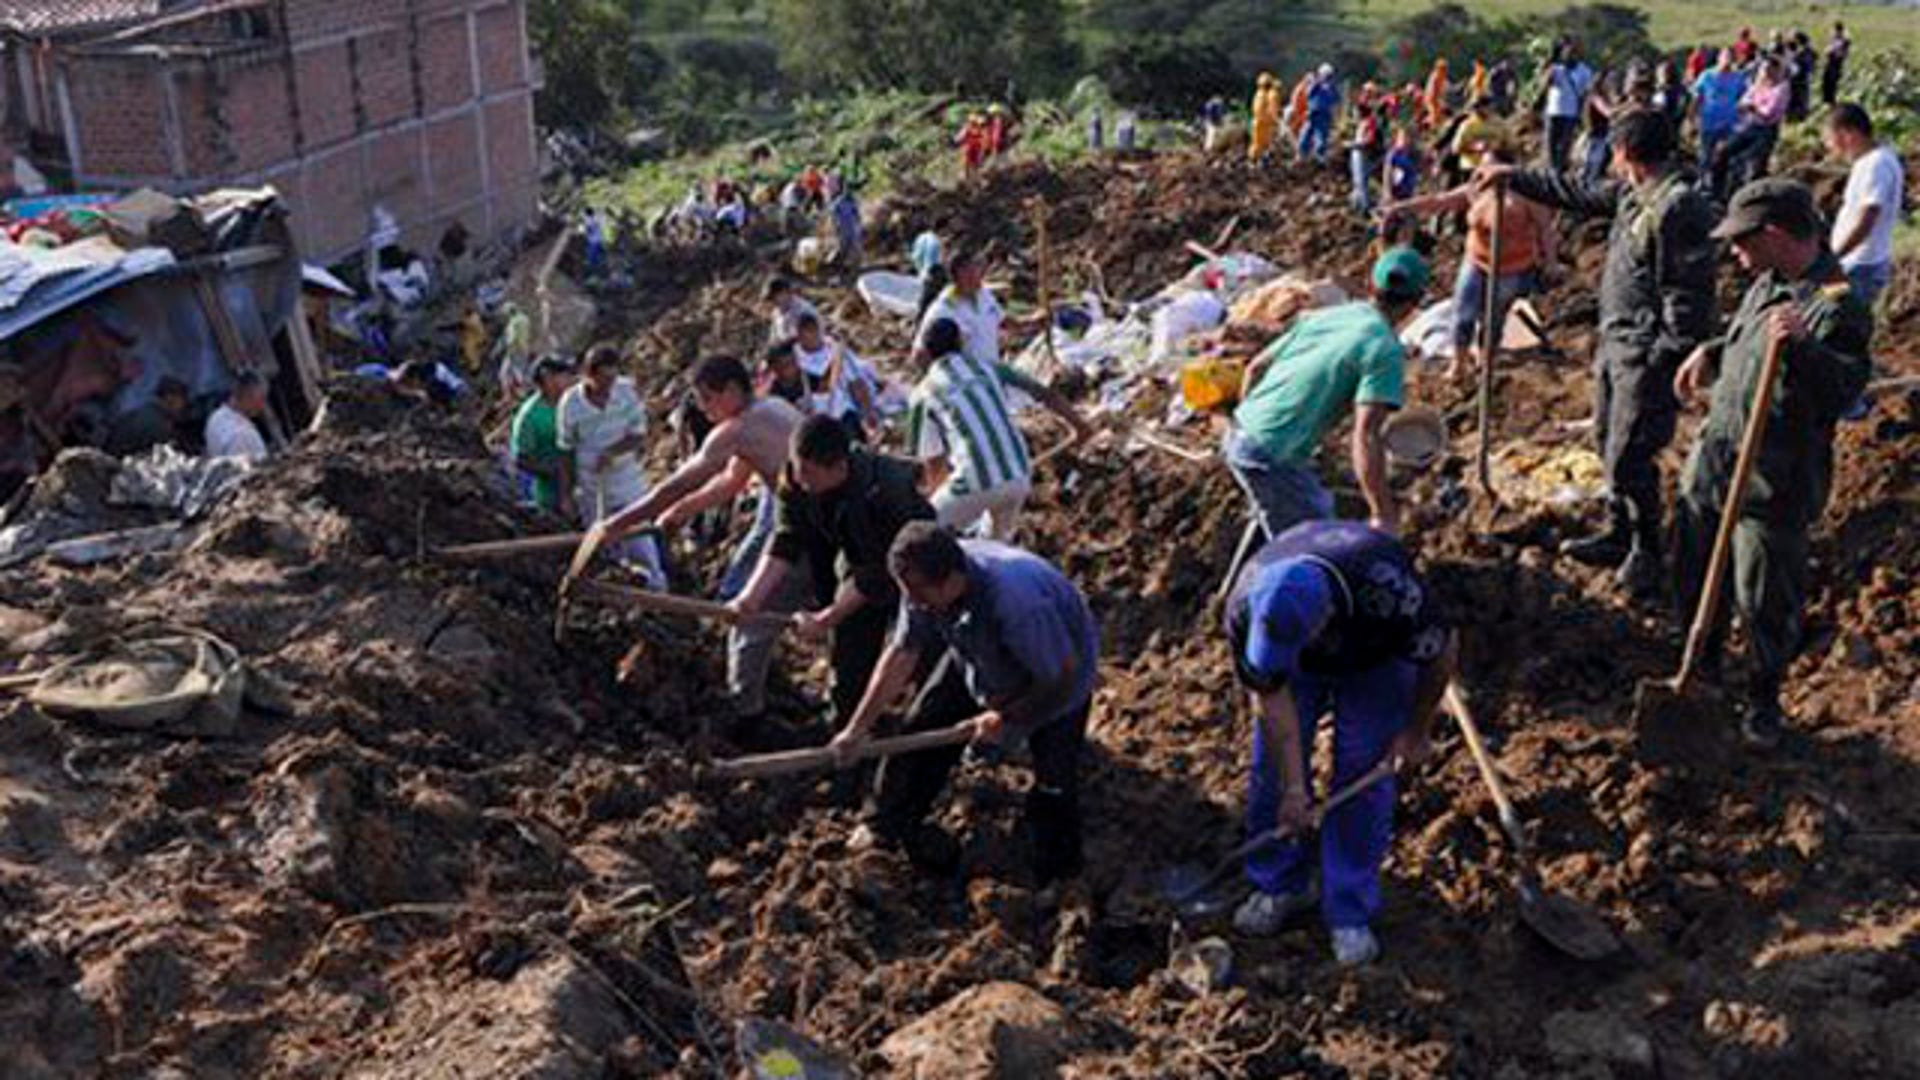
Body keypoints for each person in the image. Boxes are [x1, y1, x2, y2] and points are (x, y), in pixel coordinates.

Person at [1480, 109, 1718, 597]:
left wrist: (1663, 359)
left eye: (1612, 150)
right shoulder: (1636, 194)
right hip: (1616, 341)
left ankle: (1647, 550)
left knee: (1632, 453)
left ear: (1625, 153)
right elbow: (1576, 192)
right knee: (1610, 441)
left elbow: (1688, 298)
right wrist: (1515, 176)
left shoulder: (1678, 207)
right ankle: (1617, 531)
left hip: (1644, 353)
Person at [1671, 179, 1872, 746]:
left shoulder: (1837, 305)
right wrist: (1711, 352)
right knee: (1691, 563)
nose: (1734, 252)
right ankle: (1700, 671)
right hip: (1718, 459)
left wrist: (1806, 347)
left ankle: (1763, 700)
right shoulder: (1767, 282)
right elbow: (1748, 343)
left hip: (1773, 480)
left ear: (1777, 235)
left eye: (1742, 241)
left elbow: (1845, 390)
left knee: (1763, 595)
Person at [1224, 520, 1456, 964]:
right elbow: (1270, 696)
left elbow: (1442, 651)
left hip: (1376, 656)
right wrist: (1295, 789)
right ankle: (1280, 883)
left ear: (1324, 619)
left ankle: (1348, 910)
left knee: (1364, 768)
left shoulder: (1390, 592)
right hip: (1304, 666)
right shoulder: (1244, 605)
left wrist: (1415, 731)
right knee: (1271, 768)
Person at [827, 521, 1098, 886]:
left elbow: (1058, 677)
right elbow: (902, 653)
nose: (915, 603)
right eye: (910, 594)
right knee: (923, 723)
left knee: (1054, 782)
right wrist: (857, 728)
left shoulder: (1017, 603)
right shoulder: (921, 586)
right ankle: (884, 828)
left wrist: (1005, 717)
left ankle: (1055, 877)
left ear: (950, 580)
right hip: (977, 650)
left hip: (1055, 670)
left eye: (921, 595)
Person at [594, 355, 804, 722]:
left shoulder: (738, 428)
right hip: (799, 513)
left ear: (733, 390)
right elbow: (730, 482)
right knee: (746, 586)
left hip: (806, 529)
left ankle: (743, 711)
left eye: (708, 398)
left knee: (751, 622)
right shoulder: (771, 408)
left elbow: (673, 485)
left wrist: (614, 525)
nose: (704, 409)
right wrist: (682, 512)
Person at [728, 415, 935, 731]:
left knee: (907, 654)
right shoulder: (796, 477)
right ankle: (829, 724)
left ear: (839, 467)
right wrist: (750, 597)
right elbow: (787, 538)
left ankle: (905, 729)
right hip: (844, 555)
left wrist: (828, 617)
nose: (800, 479)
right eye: (798, 467)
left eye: (809, 473)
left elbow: (874, 575)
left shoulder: (884, 492)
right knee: (840, 653)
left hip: (910, 570)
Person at [1224, 247, 1428, 565]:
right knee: (1318, 544)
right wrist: (1382, 514)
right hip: (1270, 454)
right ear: (1415, 304)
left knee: (1278, 509)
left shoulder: (1333, 314)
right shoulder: (1383, 350)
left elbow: (1255, 369)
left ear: (1370, 287)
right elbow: (1366, 436)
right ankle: (1271, 604)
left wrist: (1253, 427)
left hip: (1239, 432)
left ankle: (1233, 590)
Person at [1382, 146, 1556, 382]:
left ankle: (1486, 362)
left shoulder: (1527, 196)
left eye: (1489, 167)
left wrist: (1550, 262)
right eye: (1481, 167)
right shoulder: (1477, 190)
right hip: (1476, 260)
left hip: (1511, 267)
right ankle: (1459, 364)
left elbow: (1545, 230)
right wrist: (1402, 207)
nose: (1482, 173)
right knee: (1463, 312)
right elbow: (1439, 201)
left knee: (1493, 317)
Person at [909, 315, 1090, 541]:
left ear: (926, 354)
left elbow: (934, 464)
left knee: (923, 536)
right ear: (961, 344)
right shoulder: (988, 367)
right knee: (996, 547)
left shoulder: (923, 394)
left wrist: (937, 505)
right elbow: (1044, 393)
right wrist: (1079, 426)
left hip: (975, 481)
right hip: (1020, 475)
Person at [557, 344, 665, 587]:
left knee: (641, 542)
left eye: (612, 378)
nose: (608, 386)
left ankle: (657, 590)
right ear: (588, 375)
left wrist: (613, 452)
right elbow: (565, 450)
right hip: (591, 486)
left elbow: (638, 434)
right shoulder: (570, 404)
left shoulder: (625, 392)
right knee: (603, 548)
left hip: (626, 481)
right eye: (603, 380)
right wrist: (566, 493)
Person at [1824, 103, 1903, 307]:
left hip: (1859, 268)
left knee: (1837, 322)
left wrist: (1834, 257)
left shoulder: (1876, 165)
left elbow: (1867, 218)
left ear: (1848, 134)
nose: (1829, 147)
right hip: (1850, 264)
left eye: (1830, 139)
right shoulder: (1871, 161)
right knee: (1823, 312)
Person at [792, 312, 881, 441]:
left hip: (840, 413)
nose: (810, 336)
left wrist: (867, 412)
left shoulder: (836, 351)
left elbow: (856, 384)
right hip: (810, 419)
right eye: (805, 332)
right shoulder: (793, 356)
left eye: (813, 330)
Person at [509, 356, 575, 517]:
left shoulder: (573, 403)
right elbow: (521, 458)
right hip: (551, 497)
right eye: (563, 375)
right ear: (547, 378)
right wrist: (555, 473)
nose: (570, 379)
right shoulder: (530, 416)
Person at [1692, 49, 1749, 202]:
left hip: (1730, 124)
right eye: (1725, 58)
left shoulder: (1739, 77)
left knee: (1727, 157)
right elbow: (1697, 97)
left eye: (1731, 58)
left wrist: (1743, 118)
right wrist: (1693, 118)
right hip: (1708, 122)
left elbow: (1744, 97)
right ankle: (1703, 185)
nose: (1728, 62)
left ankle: (1724, 190)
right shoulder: (1706, 76)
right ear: (1719, 59)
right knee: (1706, 155)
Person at [1724, 58, 1789, 190]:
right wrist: (1750, 106)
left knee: (1752, 163)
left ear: (1776, 71)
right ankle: (1723, 190)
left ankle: (1752, 193)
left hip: (1767, 130)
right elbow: (1743, 102)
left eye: (1768, 70)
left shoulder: (1781, 88)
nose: (1765, 73)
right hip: (1750, 125)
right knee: (1725, 152)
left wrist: (1753, 107)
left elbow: (1769, 112)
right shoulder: (1757, 84)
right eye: (1763, 70)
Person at [1541, 42, 1593, 173]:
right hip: (1553, 111)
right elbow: (1545, 85)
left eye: (1571, 53)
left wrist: (1582, 114)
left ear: (1577, 55)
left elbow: (1585, 94)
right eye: (1565, 53)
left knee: (1565, 145)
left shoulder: (1584, 71)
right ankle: (1551, 171)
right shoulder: (1556, 69)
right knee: (1550, 144)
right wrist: (1549, 67)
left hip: (1570, 113)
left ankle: (1560, 171)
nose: (1568, 56)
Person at [106, 376, 189, 457]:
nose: (184, 406)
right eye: (183, 400)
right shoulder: (159, 424)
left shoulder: (142, 413)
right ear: (171, 398)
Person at [205, 372, 270, 461]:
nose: (262, 406)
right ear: (248, 397)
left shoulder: (215, 417)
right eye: (261, 399)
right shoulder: (244, 435)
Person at [764, 277, 821, 348]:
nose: (773, 301)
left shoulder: (804, 310)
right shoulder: (776, 312)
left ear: (784, 292)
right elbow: (773, 338)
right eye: (771, 298)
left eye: (774, 297)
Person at [1300, 64, 1340, 163]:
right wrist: (1314, 81)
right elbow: (1308, 93)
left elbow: (1336, 100)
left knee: (1321, 136)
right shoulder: (1315, 84)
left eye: (1329, 75)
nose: (1328, 77)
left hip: (1324, 114)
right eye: (1326, 75)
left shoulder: (1331, 87)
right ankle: (1303, 154)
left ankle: (1319, 156)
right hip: (1313, 112)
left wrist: (1335, 114)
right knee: (1306, 133)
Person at [495, 301, 535, 399]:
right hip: (524, 348)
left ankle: (523, 393)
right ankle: (515, 393)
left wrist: (499, 349)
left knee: (513, 373)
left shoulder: (513, 323)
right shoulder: (525, 318)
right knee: (513, 372)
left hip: (514, 351)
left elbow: (511, 339)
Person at [829, 181, 863, 270]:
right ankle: (835, 266)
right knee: (842, 248)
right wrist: (836, 224)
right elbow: (833, 213)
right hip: (842, 228)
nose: (849, 192)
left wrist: (859, 224)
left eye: (850, 190)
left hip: (852, 228)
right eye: (847, 190)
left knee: (855, 248)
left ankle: (853, 267)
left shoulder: (852, 201)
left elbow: (856, 214)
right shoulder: (839, 201)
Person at [1249, 73, 1279, 167]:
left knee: (1257, 143)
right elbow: (1272, 110)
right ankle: (1259, 162)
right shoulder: (1268, 95)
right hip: (1264, 123)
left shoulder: (1258, 94)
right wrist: (1275, 120)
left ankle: (1255, 161)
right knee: (1263, 143)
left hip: (1257, 121)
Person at [1821, 22, 1850, 107]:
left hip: (1835, 64)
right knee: (1827, 83)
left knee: (1831, 84)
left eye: (1834, 30)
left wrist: (1830, 51)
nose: (1832, 32)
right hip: (1831, 63)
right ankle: (1827, 101)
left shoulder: (1842, 41)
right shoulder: (1836, 39)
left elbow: (1836, 52)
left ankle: (1831, 103)